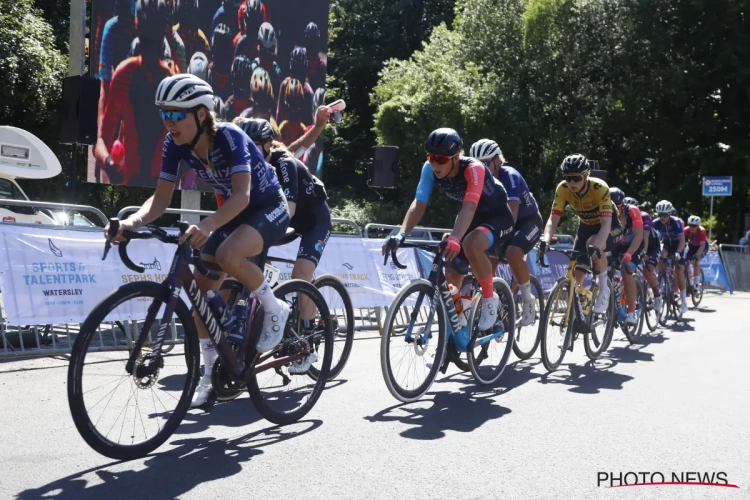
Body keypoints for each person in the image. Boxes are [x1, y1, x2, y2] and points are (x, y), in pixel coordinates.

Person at [108, 74, 292, 407]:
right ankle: (209, 377)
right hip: (236, 213)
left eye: (177, 114)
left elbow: (242, 195)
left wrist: (206, 224)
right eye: (164, 114)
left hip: (267, 206)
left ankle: (273, 305)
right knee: (202, 303)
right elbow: (160, 200)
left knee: (228, 255)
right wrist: (131, 222)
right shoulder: (173, 145)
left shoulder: (230, 137)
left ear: (202, 114)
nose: (169, 123)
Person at [382, 128, 515, 335]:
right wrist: (401, 234)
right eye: (431, 157)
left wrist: (456, 237)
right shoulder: (429, 169)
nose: (435, 163)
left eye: (441, 159)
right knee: (452, 270)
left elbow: (469, 207)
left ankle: (490, 298)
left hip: (497, 217)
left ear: (456, 157)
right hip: (470, 219)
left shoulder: (473, 169)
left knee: (470, 243)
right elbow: (419, 203)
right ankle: (458, 322)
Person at [235, 117, 332, 373]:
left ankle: (308, 341)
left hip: (313, 220)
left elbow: (287, 210)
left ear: (267, 145)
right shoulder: (249, 167)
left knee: (301, 274)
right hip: (284, 218)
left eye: (255, 147)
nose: (249, 153)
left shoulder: (284, 162)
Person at [95, 0, 175, 186]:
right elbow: (102, 142)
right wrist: (109, 163)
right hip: (136, 182)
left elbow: (102, 142)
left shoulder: (128, 73)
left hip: (156, 185)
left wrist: (108, 163)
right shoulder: (126, 75)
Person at [468, 139, 542, 326]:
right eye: (477, 163)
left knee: (512, 252)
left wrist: (497, 243)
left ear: (496, 161)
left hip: (527, 221)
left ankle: (527, 299)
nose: (481, 167)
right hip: (500, 222)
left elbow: (513, 214)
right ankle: (493, 307)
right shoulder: (477, 179)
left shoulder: (509, 175)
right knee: (485, 267)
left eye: (485, 163)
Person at [541, 154, 622, 314]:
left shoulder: (600, 188)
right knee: (577, 271)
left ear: (586, 176)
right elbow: (553, 218)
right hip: (585, 226)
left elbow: (605, 224)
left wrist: (597, 247)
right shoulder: (563, 189)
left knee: (593, 243)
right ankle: (580, 306)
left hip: (609, 226)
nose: (571, 182)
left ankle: (604, 290)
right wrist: (545, 239)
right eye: (568, 178)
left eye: (576, 178)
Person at [609, 188, 643, 325]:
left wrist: (629, 253)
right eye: (612, 207)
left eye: (617, 206)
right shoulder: (605, 211)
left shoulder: (632, 210)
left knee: (626, 270)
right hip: (616, 245)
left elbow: (639, 235)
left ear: (622, 204)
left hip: (634, 245)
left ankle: (631, 312)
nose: (615, 210)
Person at [623, 197, 662, 313]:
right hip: (635, 245)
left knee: (648, 270)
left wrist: (644, 252)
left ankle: (657, 295)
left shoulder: (645, 216)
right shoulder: (622, 216)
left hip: (651, 246)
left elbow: (644, 236)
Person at [652, 200, 688, 315]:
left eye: (665, 215)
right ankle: (661, 276)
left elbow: (682, 241)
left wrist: (678, 252)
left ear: (670, 214)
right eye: (660, 215)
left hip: (679, 246)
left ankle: (683, 300)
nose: (662, 218)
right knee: (662, 255)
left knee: (679, 270)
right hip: (667, 245)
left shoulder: (676, 222)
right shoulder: (656, 223)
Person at [685, 215, 707, 291]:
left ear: (698, 226)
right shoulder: (686, 230)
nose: (692, 228)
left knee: (696, 262)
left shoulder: (702, 230)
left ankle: (697, 284)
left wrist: (697, 255)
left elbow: (702, 245)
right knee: (684, 262)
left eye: (694, 226)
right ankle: (689, 280)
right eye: (690, 226)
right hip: (692, 246)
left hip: (701, 246)